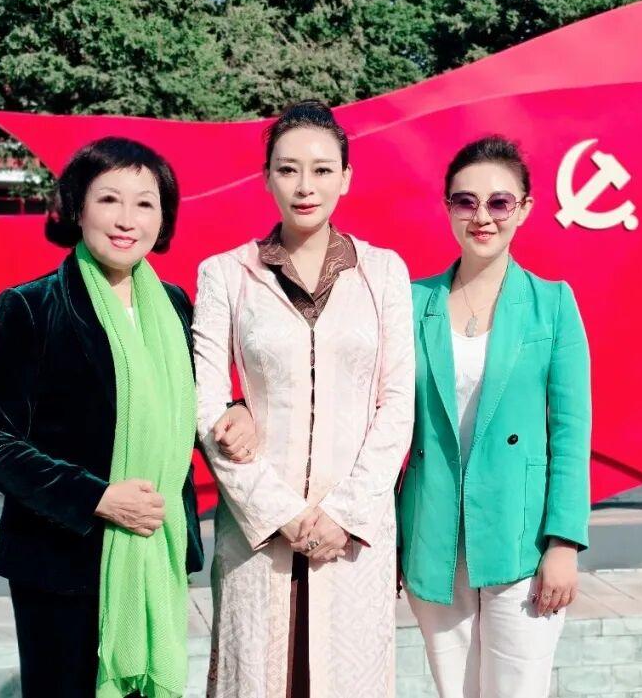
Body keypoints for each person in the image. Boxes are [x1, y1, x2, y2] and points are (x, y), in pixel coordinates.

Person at [0, 137, 252, 698]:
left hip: (157, 550)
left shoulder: (174, 306)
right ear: (77, 208)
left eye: (145, 203)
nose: (127, 220)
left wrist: (236, 413)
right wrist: (96, 496)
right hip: (62, 566)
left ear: (162, 218)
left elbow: (190, 406)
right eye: (109, 200)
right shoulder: (29, 307)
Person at [192, 100, 414, 698]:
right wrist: (278, 512)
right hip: (257, 534)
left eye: (321, 170)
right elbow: (207, 404)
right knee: (256, 677)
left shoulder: (383, 272)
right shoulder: (226, 274)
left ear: (346, 177)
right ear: (267, 177)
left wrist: (345, 515)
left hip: (354, 534)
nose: (304, 186)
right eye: (288, 169)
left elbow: (397, 403)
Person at [398, 135, 592, 697]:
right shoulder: (410, 302)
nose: (482, 217)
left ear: (524, 209)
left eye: (499, 202)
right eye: (466, 201)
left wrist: (563, 542)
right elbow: (382, 421)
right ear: (448, 208)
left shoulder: (552, 304)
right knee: (454, 689)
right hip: (433, 530)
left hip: (520, 533)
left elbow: (570, 431)